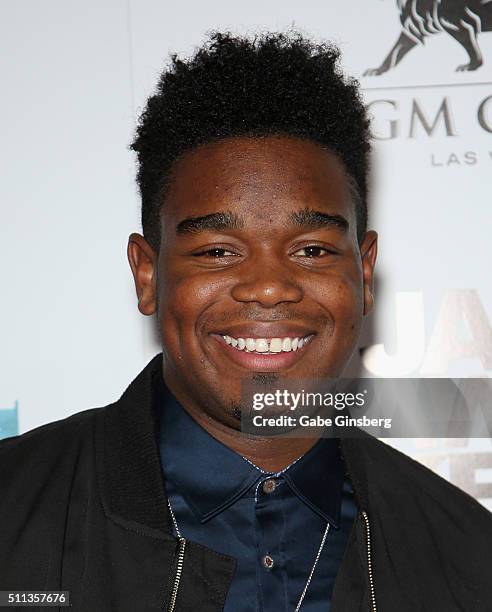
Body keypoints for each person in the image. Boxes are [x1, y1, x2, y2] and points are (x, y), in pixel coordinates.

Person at [0, 31, 491, 612]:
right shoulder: (15, 512)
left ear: (363, 276)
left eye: (311, 249)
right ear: (148, 275)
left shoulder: (470, 556)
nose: (268, 286)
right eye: (217, 250)